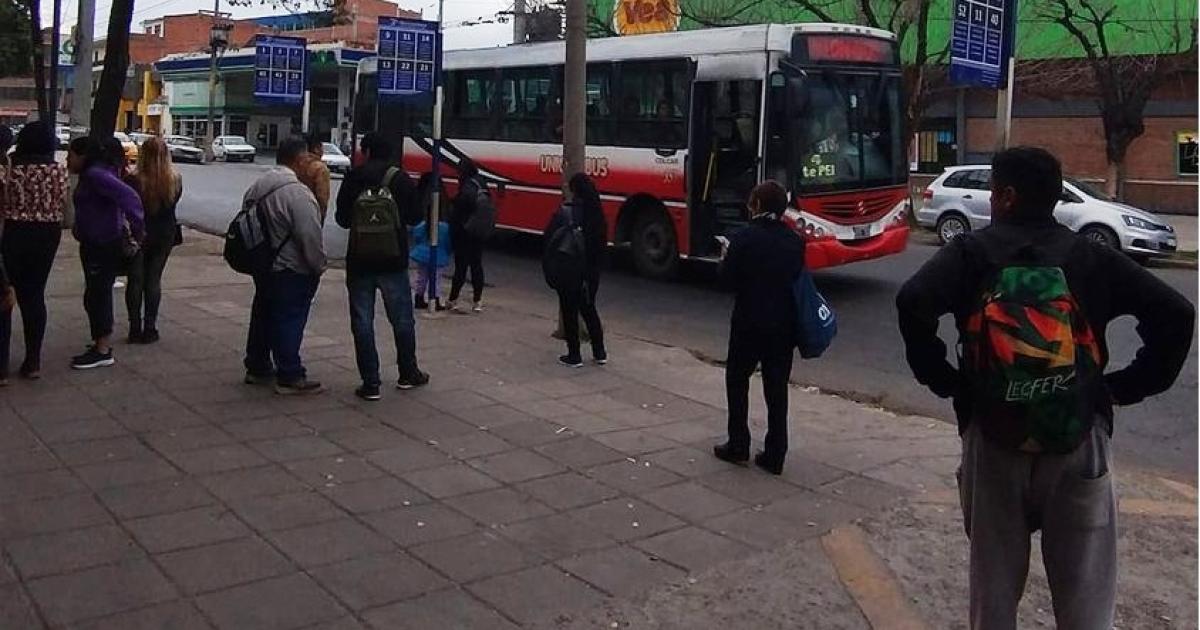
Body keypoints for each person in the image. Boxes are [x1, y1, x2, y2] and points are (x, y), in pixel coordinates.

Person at [895, 147, 1195, 630]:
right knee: (1085, 598)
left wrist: (950, 384)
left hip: (993, 438)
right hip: (1077, 438)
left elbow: (913, 301)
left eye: (993, 190)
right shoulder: (1089, 257)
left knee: (993, 592)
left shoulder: (971, 254)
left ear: (1007, 196)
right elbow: (1177, 314)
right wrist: (1121, 388)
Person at [712, 180, 804, 475]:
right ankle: (776, 453)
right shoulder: (794, 241)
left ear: (758, 205)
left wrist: (725, 258)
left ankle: (738, 444)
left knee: (737, 380)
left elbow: (728, 281)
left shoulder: (744, 238)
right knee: (777, 389)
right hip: (783, 325)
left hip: (749, 323)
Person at [334, 133, 426, 401]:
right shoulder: (400, 179)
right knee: (402, 320)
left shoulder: (354, 177)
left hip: (359, 262)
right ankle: (408, 373)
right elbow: (416, 217)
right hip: (393, 260)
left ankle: (371, 382)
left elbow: (342, 220)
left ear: (367, 151)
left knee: (363, 322)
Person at [243, 136, 327, 395]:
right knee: (289, 318)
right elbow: (309, 236)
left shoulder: (259, 185)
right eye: (307, 159)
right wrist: (318, 266)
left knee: (263, 314)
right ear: (299, 159)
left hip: (262, 264)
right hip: (290, 268)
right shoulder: (298, 194)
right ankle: (289, 374)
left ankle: (257, 366)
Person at [68, 135, 145, 369]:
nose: (67, 160)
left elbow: (129, 198)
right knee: (94, 292)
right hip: (95, 240)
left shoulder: (96, 175)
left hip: (102, 243)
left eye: (71, 155)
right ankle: (100, 342)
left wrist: (139, 229)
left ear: (83, 156)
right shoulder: (96, 174)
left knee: (98, 293)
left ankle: (102, 349)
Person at [0, 122, 67, 380]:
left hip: (15, 232)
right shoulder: (58, 172)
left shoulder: (12, 170)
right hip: (47, 235)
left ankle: (2, 367)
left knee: (4, 294)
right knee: (34, 295)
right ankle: (33, 361)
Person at [544, 173, 607, 367]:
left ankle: (574, 354)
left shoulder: (566, 212)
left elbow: (550, 237)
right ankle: (599, 352)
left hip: (569, 268)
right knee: (589, 309)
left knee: (569, 310)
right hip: (591, 272)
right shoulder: (598, 213)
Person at [125, 137, 182, 344]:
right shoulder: (175, 180)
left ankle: (134, 328)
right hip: (165, 234)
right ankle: (150, 328)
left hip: (140, 233)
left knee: (136, 280)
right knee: (154, 280)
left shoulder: (134, 179)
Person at [447, 159, 486, 313]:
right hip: (478, 230)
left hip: (464, 232)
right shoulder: (481, 182)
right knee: (477, 265)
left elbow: (459, 208)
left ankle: (453, 299)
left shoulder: (467, 187)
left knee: (461, 267)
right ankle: (477, 301)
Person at [410, 172, 451, 311]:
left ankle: (418, 297)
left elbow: (416, 236)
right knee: (436, 279)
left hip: (421, 255)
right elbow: (448, 243)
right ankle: (435, 299)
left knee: (421, 277)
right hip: (438, 257)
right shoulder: (444, 228)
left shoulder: (422, 225)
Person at [296, 133, 331, 222]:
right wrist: (321, 217)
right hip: (312, 214)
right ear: (316, 149)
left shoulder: (297, 164)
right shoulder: (320, 169)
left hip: (295, 210)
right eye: (322, 148)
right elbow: (322, 197)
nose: (323, 151)